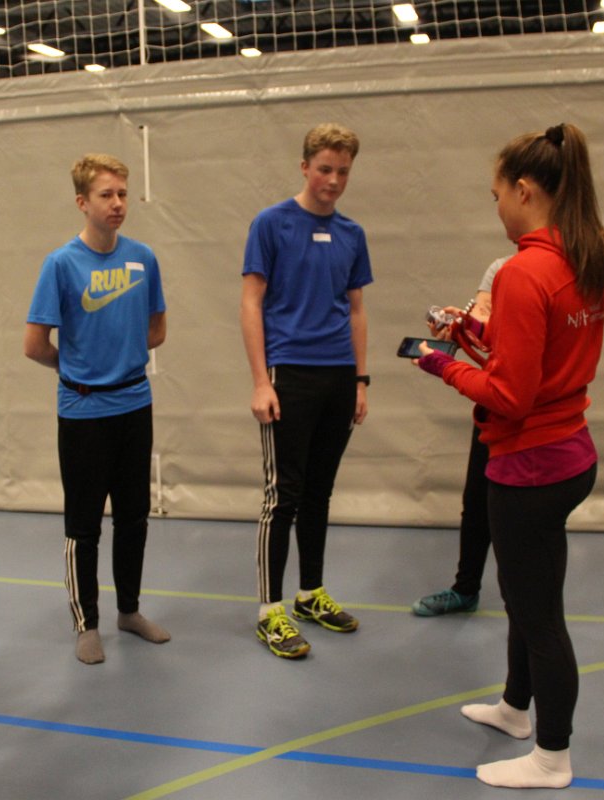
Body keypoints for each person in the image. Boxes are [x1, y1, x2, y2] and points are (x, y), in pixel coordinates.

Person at [412, 122, 604, 788]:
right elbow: (537, 355)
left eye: (497, 193)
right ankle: (513, 707)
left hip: (531, 464)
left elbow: (509, 394)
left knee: (537, 614)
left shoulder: (526, 272)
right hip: (569, 450)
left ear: (525, 191)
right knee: (526, 591)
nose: (496, 206)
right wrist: (473, 334)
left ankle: (551, 757)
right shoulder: (587, 257)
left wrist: (441, 363)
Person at [24, 153, 170, 666]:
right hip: (83, 412)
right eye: (106, 195)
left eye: (123, 193)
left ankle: (129, 611)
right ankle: (87, 623)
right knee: (83, 525)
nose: (117, 203)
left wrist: (120, 355)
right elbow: (35, 344)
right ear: (82, 202)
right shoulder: (61, 264)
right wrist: (78, 368)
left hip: (134, 404)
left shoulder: (143, 258)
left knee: (134, 517)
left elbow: (157, 329)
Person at [241, 123, 372, 659]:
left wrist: (360, 380)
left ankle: (310, 594)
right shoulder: (271, 224)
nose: (333, 180)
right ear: (304, 167)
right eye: (324, 169)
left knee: (320, 492)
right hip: (289, 376)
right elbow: (251, 303)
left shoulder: (352, 234)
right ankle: (269, 611)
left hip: (338, 376)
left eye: (342, 171)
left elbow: (356, 310)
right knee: (283, 496)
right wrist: (261, 381)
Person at [410, 256, 507, 617]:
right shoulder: (501, 268)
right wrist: (463, 329)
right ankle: (466, 589)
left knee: (517, 514)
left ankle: (527, 603)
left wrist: (446, 364)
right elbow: (487, 332)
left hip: (525, 415)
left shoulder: (545, 273)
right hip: (493, 408)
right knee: (477, 501)